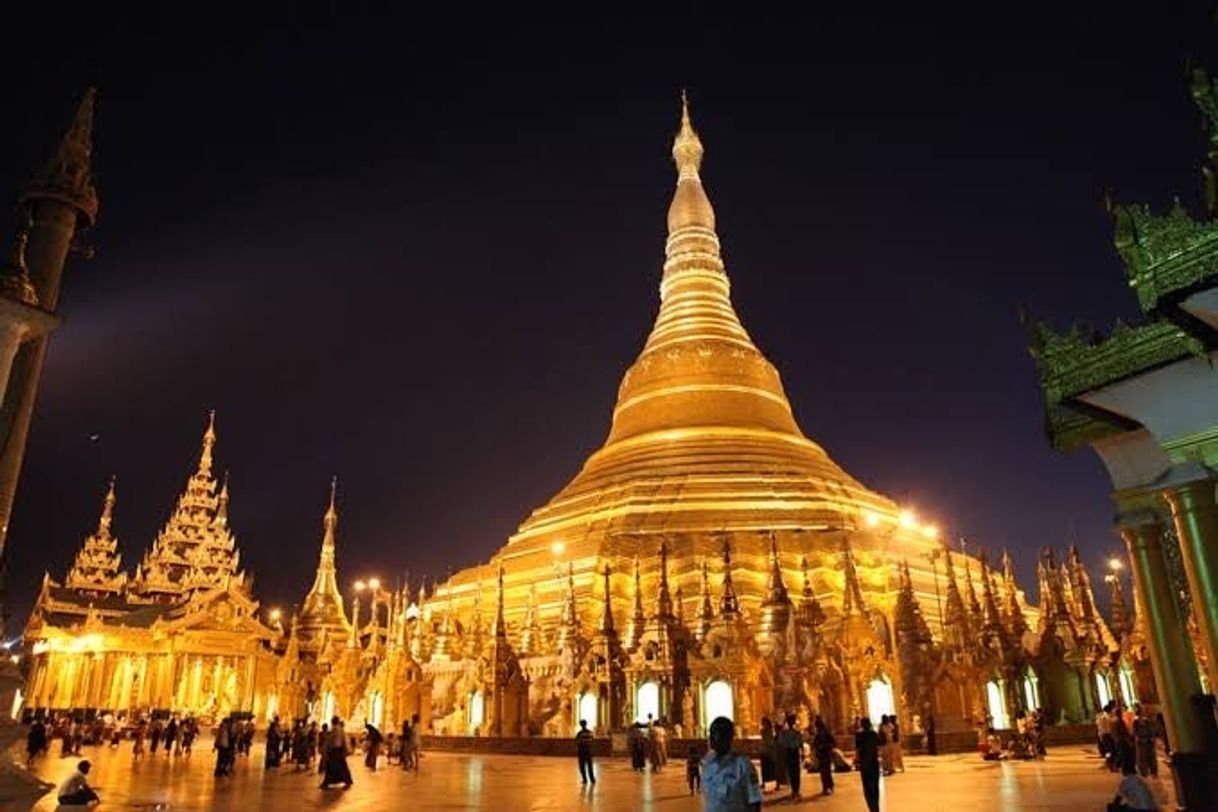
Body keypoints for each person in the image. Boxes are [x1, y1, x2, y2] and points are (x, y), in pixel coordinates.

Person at [701, 716, 762, 812]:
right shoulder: (707, 765)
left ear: (729, 738)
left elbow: (755, 801)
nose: (713, 738)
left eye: (718, 734)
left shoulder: (742, 765)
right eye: (712, 734)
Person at [320, 716, 354, 789]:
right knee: (340, 767)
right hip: (337, 751)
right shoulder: (339, 730)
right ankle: (346, 781)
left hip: (335, 751)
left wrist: (324, 749)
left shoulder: (334, 730)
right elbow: (344, 740)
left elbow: (329, 741)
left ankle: (327, 783)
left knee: (334, 767)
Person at [855, 717, 881, 812]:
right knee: (874, 786)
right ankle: (876, 806)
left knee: (867, 787)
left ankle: (871, 807)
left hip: (864, 763)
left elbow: (857, 750)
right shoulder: (873, 734)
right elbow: (878, 746)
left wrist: (857, 761)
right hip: (874, 763)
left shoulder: (859, 735)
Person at [776, 713, 803, 801]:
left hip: (791, 753)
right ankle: (795, 789)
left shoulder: (788, 733)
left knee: (794, 771)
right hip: (792, 753)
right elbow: (800, 744)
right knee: (793, 772)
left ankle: (795, 790)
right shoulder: (792, 733)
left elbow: (781, 743)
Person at [812, 717, 835, 796]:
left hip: (826, 754)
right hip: (821, 755)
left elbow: (832, 743)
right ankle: (826, 786)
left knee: (827, 771)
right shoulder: (818, 735)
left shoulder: (826, 734)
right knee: (823, 772)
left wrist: (825, 746)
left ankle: (829, 786)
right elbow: (814, 744)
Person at [575, 718, 595, 784]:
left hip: (582, 752)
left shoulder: (579, 733)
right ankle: (592, 779)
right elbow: (592, 741)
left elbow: (577, 742)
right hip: (589, 751)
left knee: (582, 766)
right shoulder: (590, 732)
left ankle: (585, 779)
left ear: (581, 725)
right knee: (590, 766)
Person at [759, 717, 776, 789]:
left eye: (764, 723)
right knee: (764, 767)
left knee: (769, 767)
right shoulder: (763, 731)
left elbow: (770, 741)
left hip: (768, 751)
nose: (763, 724)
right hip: (764, 751)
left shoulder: (769, 731)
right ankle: (764, 781)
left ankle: (771, 780)